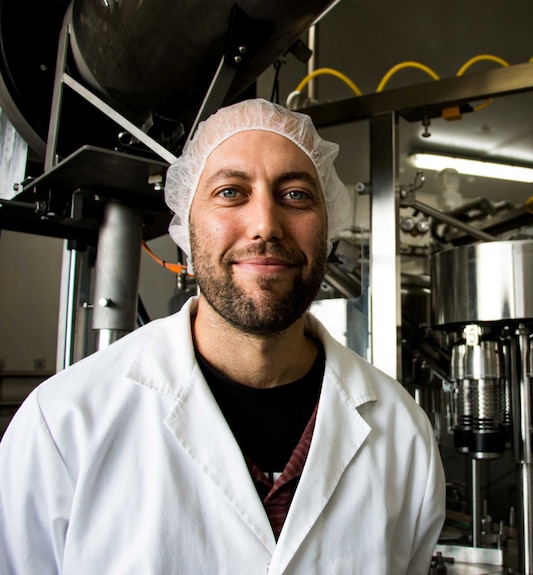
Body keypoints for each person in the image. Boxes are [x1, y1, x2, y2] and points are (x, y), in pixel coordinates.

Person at [0, 98, 446, 574]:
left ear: (328, 225)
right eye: (231, 192)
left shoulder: (403, 433)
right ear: (187, 229)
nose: (265, 226)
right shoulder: (66, 424)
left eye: (295, 195)